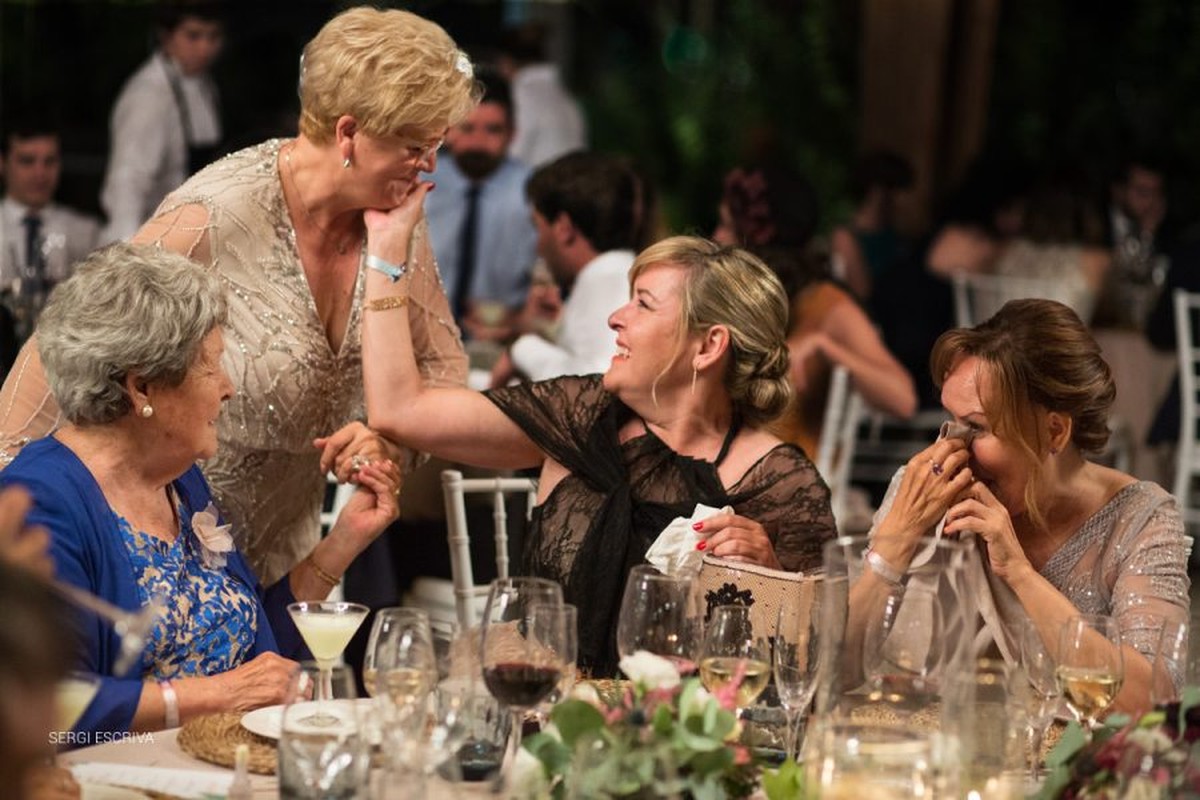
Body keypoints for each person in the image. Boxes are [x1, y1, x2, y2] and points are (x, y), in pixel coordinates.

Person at [0, 6, 477, 585]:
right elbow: (63, 351)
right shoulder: (213, 214)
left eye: (436, 147)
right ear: (349, 133)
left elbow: (444, 370)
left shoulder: (396, 218)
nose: (429, 168)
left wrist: (390, 443)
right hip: (173, 566)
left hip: (297, 566)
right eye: (414, 147)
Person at [342, 212, 837, 674]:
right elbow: (400, 410)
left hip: (679, 746)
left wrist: (770, 577)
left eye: (642, 303)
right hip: (538, 709)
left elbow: (813, 665)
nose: (615, 318)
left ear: (708, 346)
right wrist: (386, 247)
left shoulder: (780, 485)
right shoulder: (580, 417)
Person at [0, 243, 401, 736]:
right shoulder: (41, 502)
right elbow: (47, 705)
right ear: (141, 388)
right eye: (211, 366)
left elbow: (256, 646)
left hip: (218, 763)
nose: (228, 387)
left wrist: (344, 540)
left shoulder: (177, 479)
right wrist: (221, 695)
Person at [865, 299, 1190, 712]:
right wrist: (896, 542)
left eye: (977, 428)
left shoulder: (1140, 520)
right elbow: (833, 666)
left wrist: (1019, 574)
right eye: (950, 421)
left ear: (1054, 431)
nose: (950, 449)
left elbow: (1152, 699)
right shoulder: (924, 490)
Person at [714, 165, 916, 458]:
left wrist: (827, 346)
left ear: (754, 239)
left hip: (790, 478)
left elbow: (903, 399)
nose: (716, 237)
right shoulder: (736, 301)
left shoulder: (825, 304)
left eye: (726, 226)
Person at [491, 151, 640, 386]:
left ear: (563, 228)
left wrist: (522, 349)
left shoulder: (608, 279)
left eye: (538, 227)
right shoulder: (615, 273)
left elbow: (598, 383)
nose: (538, 246)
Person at [424, 71, 538, 339]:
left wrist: (521, 321)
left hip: (501, 339)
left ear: (513, 134)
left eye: (493, 130)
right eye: (467, 128)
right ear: (448, 130)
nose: (478, 142)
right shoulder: (418, 184)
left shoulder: (532, 194)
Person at [99, 1, 225, 242]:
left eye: (213, 37)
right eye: (194, 36)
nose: (205, 48)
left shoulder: (205, 87)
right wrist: (130, 253)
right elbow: (127, 181)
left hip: (191, 234)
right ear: (166, 37)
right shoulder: (148, 95)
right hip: (154, 239)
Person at [0, 114, 101, 343]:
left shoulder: (87, 232)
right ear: (3, 163)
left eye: (49, 161)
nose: (40, 174)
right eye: (27, 161)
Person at [497, 22, 586, 168]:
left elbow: (513, 155)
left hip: (537, 185)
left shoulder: (522, 94)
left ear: (506, 62)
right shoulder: (565, 96)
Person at [829, 150, 915, 300]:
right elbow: (862, 291)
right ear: (877, 191)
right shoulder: (846, 237)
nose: (904, 201)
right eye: (899, 190)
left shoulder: (900, 239)